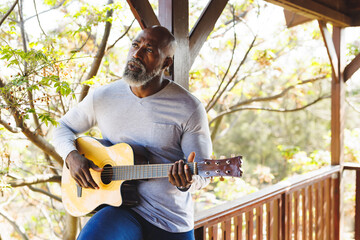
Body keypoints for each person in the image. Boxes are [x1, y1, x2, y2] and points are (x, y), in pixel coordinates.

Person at [53, 25, 212, 240]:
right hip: (119, 208)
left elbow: (203, 170)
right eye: (135, 45)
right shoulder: (103, 97)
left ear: (166, 62)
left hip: (169, 219)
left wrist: (188, 181)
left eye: (148, 49)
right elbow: (62, 128)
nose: (136, 54)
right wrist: (71, 157)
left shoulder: (188, 107)